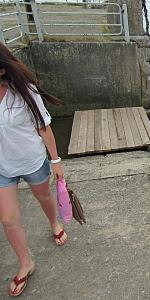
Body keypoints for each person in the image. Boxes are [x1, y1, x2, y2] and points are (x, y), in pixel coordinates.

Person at [0, 43, 67, 297]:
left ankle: (53, 222)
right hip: (2, 166)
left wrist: (56, 160)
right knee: (7, 218)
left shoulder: (24, 91)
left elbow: (43, 126)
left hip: (32, 160)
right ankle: (26, 262)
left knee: (44, 197)